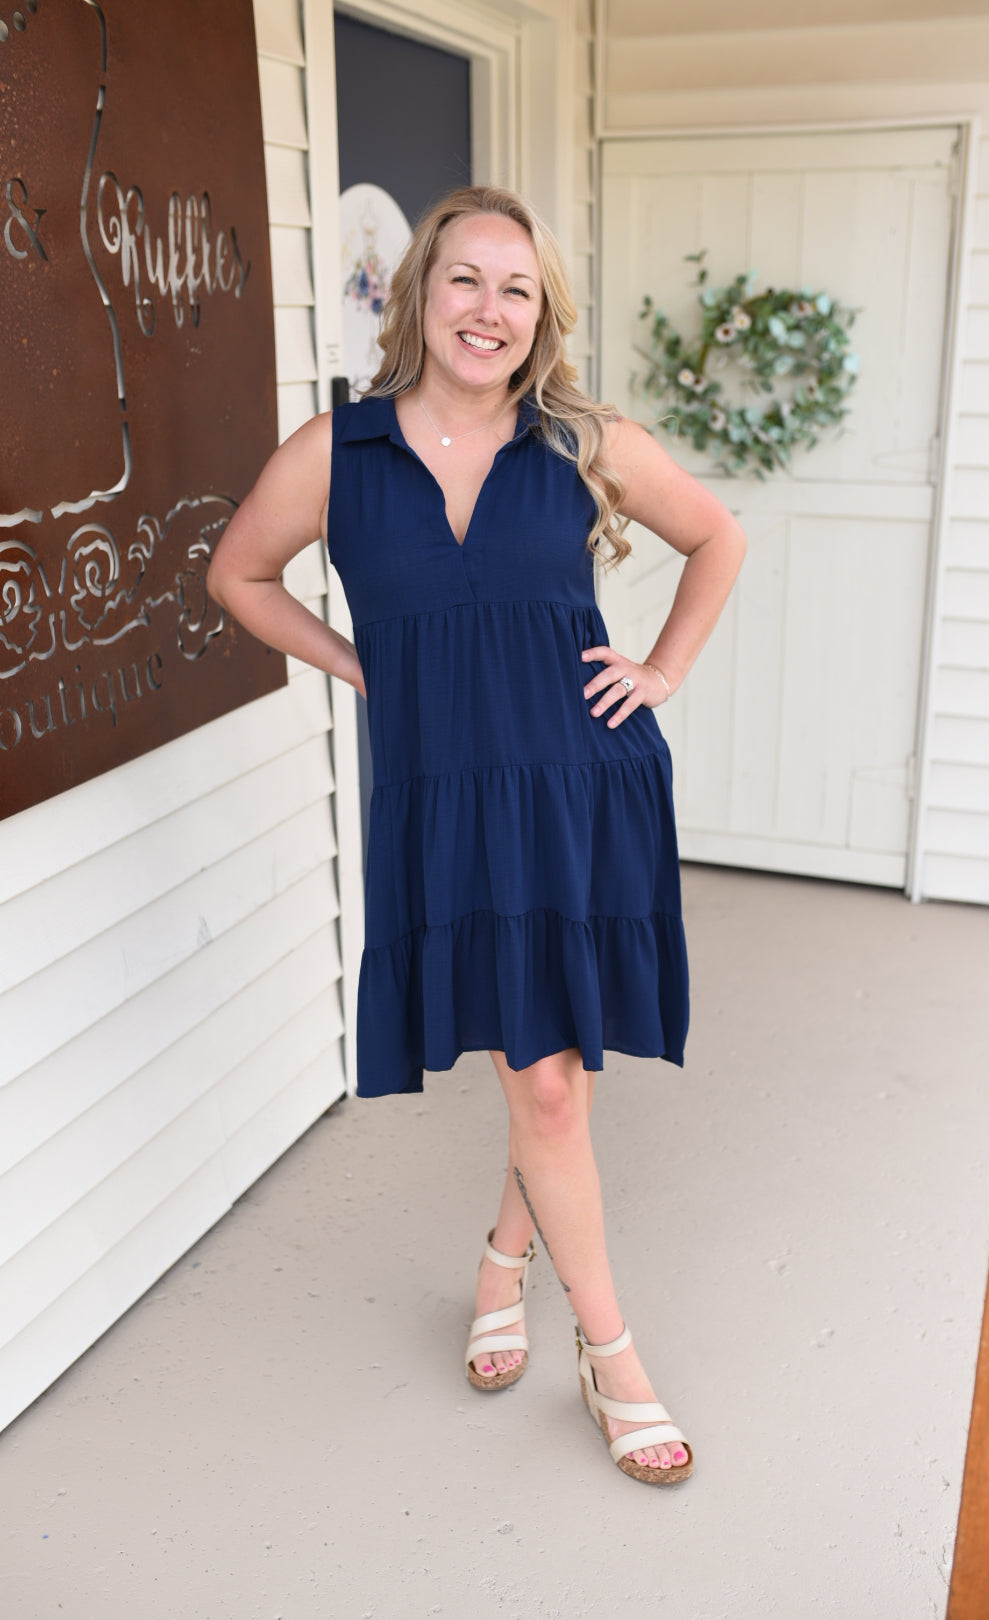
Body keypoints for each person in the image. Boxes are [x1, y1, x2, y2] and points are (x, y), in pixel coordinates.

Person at [207, 184, 746, 1486]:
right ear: (420, 294)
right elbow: (237, 574)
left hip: (580, 784)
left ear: (541, 312)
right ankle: (511, 1266)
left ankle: (602, 1350)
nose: (488, 309)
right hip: (444, 796)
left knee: (548, 1074)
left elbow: (716, 534)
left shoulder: (580, 440)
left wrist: (661, 672)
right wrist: (363, 666)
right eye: (465, 279)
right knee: (544, 1066)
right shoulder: (336, 453)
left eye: (517, 288)